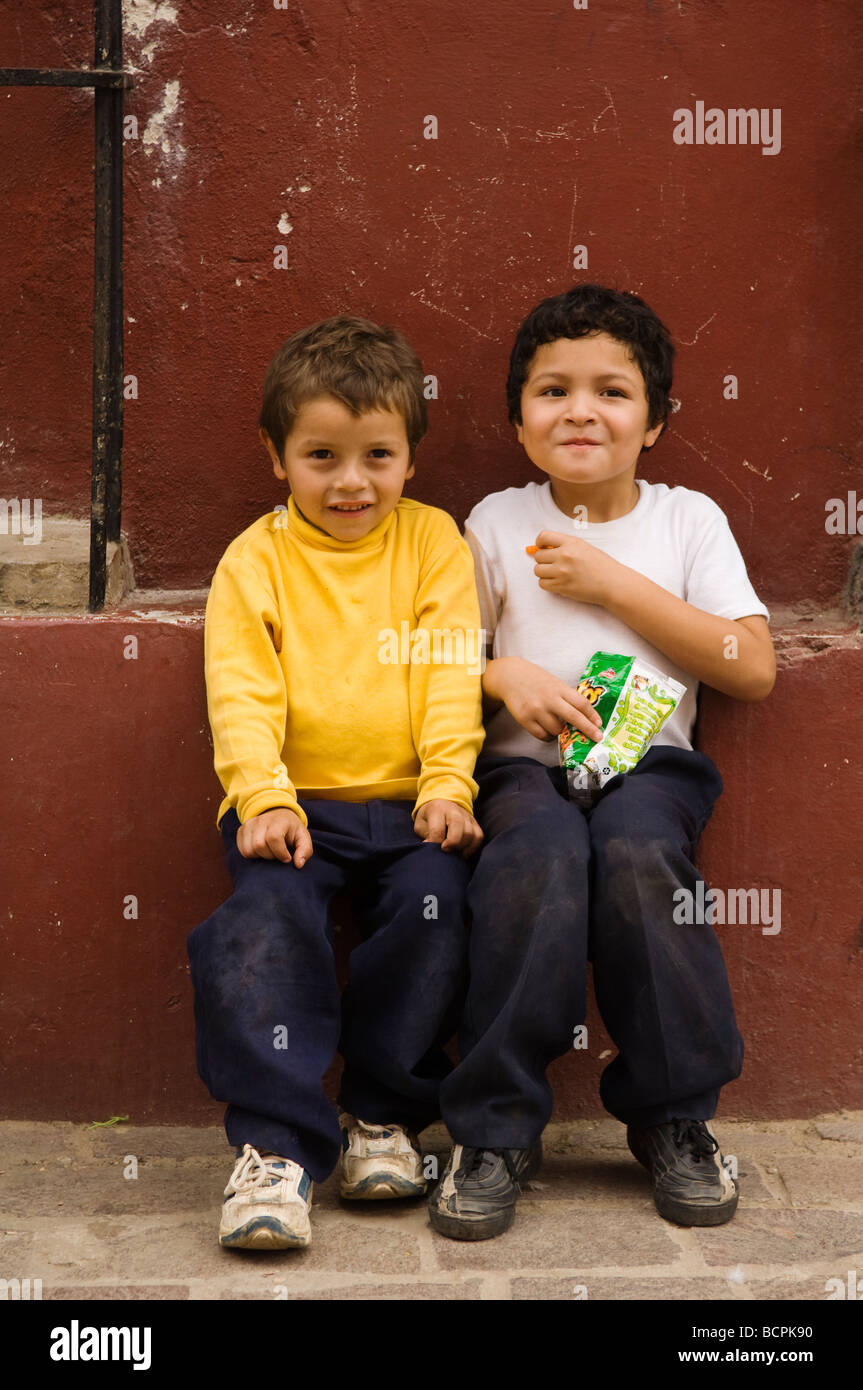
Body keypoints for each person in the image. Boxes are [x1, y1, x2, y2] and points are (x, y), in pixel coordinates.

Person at [429, 283, 775, 1240]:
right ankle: (495, 1129)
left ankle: (675, 1118)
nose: (580, 410)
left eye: (611, 392)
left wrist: (614, 584)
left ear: (656, 422)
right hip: (520, 775)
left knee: (635, 860)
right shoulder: (495, 522)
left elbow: (753, 670)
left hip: (650, 772)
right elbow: (434, 655)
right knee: (534, 863)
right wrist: (499, 673)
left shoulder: (685, 521)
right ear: (516, 419)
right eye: (552, 391)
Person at [188, 315, 485, 1249]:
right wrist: (263, 795)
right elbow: (240, 689)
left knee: (436, 908)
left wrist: (448, 783)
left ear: (409, 456)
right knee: (259, 928)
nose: (350, 481)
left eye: (376, 456)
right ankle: (277, 1150)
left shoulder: (433, 543)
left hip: (409, 806)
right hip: (294, 809)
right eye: (322, 455)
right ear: (277, 456)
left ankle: (381, 1117)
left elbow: (447, 670)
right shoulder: (256, 559)